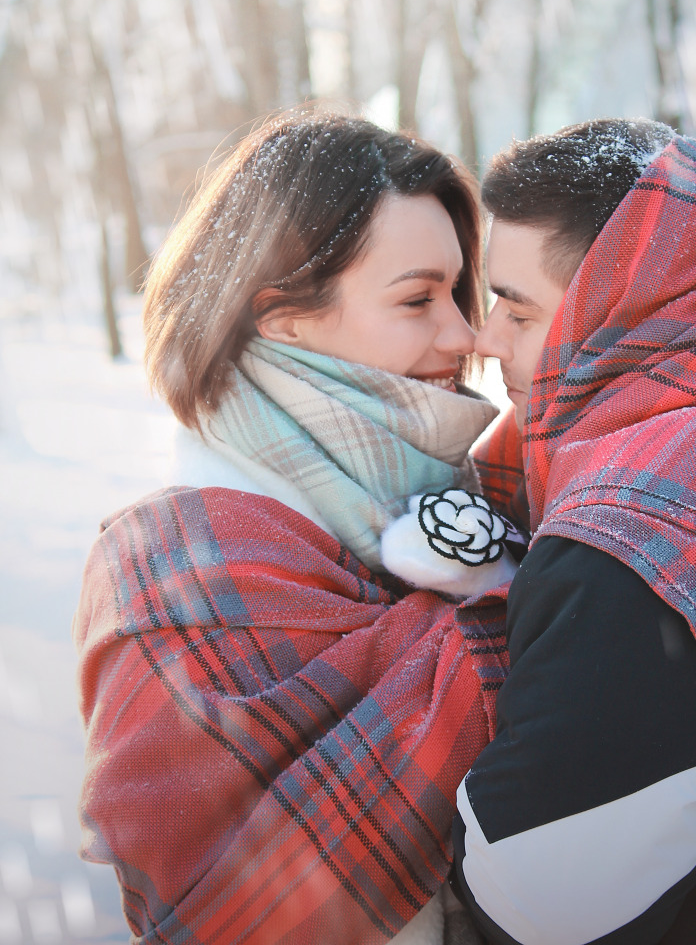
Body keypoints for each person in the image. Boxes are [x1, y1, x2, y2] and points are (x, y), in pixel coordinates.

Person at [74, 107, 520, 945]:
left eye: (460, 293)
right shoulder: (175, 568)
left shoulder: (488, 493)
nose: (466, 335)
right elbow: (223, 903)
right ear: (279, 315)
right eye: (419, 298)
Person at [451, 118, 696, 944]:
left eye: (515, 311)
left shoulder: (635, 547)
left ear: (615, 304)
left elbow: (540, 903)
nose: (483, 340)